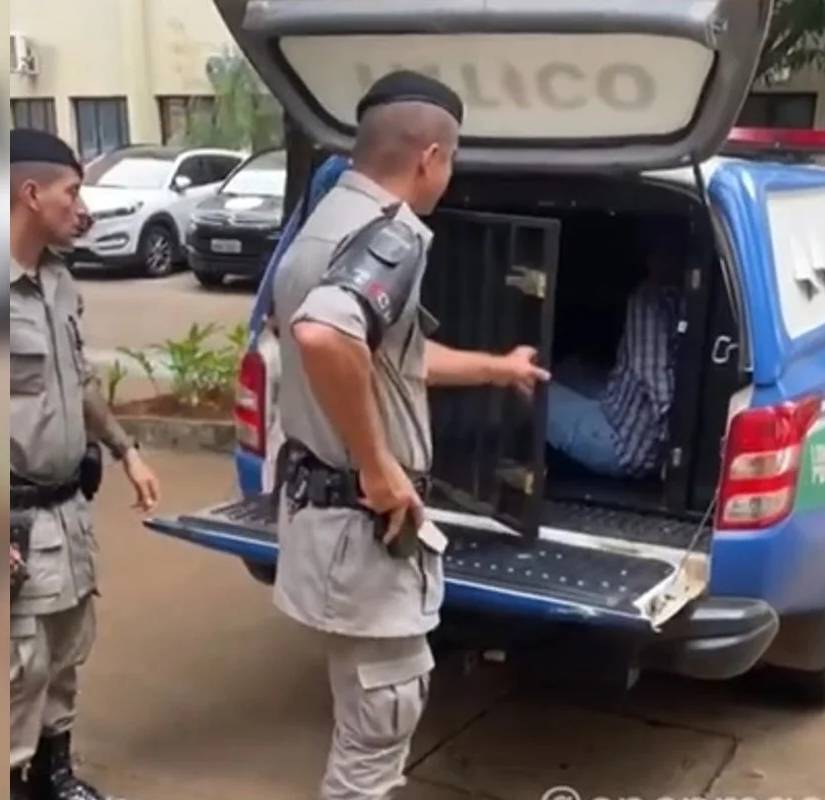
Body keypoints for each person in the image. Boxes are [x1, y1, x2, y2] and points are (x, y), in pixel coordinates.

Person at [271, 71, 548, 799]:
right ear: (430, 157)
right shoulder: (390, 234)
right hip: (364, 531)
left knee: (364, 719)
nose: (447, 178)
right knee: (376, 733)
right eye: (449, 162)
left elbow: (386, 356)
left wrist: (497, 368)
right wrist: (378, 465)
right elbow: (327, 335)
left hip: (325, 522)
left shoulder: (324, 223)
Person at [9, 129, 161, 800]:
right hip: (7, 523)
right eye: (72, 193)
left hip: (64, 515)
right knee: (12, 671)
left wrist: (127, 451)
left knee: (65, 653)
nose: (83, 208)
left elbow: (80, 381)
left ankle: (53, 776)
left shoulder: (57, 280)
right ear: (30, 193)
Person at [546, 234, 685, 479]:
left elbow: (658, 385)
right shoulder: (682, 295)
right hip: (620, 407)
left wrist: (673, 456)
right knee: (568, 367)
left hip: (625, 446)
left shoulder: (648, 301)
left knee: (525, 384)